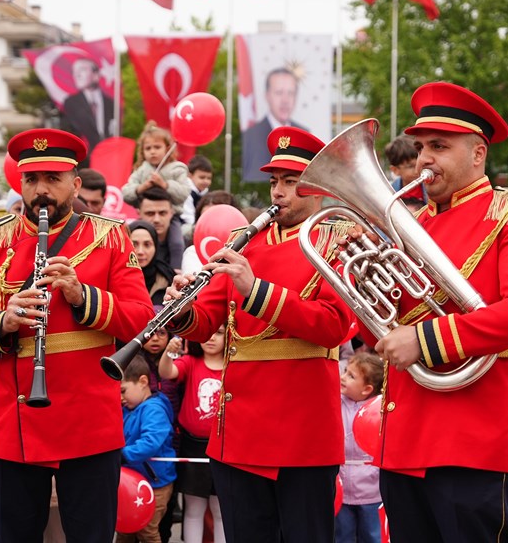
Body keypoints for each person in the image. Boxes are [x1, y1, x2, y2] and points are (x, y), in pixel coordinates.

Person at [349, 82, 508, 541]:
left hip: (470, 442)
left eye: (439, 147)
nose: (424, 159)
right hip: (403, 440)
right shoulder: (411, 223)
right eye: (421, 147)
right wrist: (359, 282)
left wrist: (422, 340)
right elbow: (384, 332)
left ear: (478, 153)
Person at [0, 127, 155, 542]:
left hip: (88, 420)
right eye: (32, 179)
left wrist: (82, 296)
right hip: (14, 422)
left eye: (52, 179)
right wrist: (3, 322)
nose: (41, 190)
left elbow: (141, 319)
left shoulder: (110, 236)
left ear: (75, 184)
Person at [164, 126, 355, 543]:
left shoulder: (339, 241)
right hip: (239, 433)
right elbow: (206, 321)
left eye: (291, 182)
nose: (278, 192)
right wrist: (180, 310)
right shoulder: (245, 242)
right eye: (274, 182)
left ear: (317, 188)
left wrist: (256, 290)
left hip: (304, 433)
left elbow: (333, 325)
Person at [159, 325, 227, 543]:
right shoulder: (190, 362)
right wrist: (169, 352)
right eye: (208, 332)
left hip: (224, 447)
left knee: (221, 510)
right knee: (194, 509)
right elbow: (166, 372)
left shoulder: (232, 365)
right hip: (193, 446)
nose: (211, 337)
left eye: (219, 332)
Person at [117, 356, 177, 543]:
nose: (120, 398)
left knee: (147, 531)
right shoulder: (128, 408)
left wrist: (122, 455)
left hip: (155, 484)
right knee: (124, 529)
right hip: (130, 483)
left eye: (123, 390)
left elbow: (150, 442)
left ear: (143, 381)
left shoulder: (154, 409)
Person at [336, 353, 385, 543]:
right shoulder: (337, 402)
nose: (343, 377)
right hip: (342, 486)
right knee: (342, 535)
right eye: (345, 371)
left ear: (367, 389)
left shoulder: (377, 409)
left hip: (371, 490)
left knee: (372, 535)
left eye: (351, 376)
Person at [241, 68, 307, 183]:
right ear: (267, 95)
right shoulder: (251, 135)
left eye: (290, 93)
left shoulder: (304, 135)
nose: (285, 100)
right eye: (279, 93)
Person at [122, 121, 190, 214]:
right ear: (142, 151)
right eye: (148, 148)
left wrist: (165, 185)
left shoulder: (177, 169)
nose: (152, 152)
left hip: (172, 216)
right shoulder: (141, 170)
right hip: (146, 215)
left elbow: (184, 194)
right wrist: (141, 188)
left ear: (167, 149)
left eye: (157, 147)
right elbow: (126, 193)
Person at [62, 57, 114, 153]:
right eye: (74, 71)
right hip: (85, 156)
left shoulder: (112, 104)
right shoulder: (70, 104)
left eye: (82, 70)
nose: (77, 75)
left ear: (96, 75)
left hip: (110, 154)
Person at [139, 187, 186, 273]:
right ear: (139, 213)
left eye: (162, 213)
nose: (156, 219)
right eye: (150, 213)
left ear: (172, 213)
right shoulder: (126, 245)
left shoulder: (187, 247)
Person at [129, 221, 175, 305]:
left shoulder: (168, 278)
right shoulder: (115, 279)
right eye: (134, 244)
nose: (140, 251)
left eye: (147, 244)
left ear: (156, 246)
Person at [383, 134, 426, 206]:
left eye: (419, 164)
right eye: (411, 166)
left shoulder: (431, 188)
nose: (417, 170)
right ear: (395, 170)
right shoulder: (390, 194)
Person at [181, 155, 214, 238]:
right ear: (190, 176)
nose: (206, 181)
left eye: (209, 178)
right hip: (184, 226)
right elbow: (188, 218)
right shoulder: (185, 192)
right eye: (202, 177)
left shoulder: (207, 194)